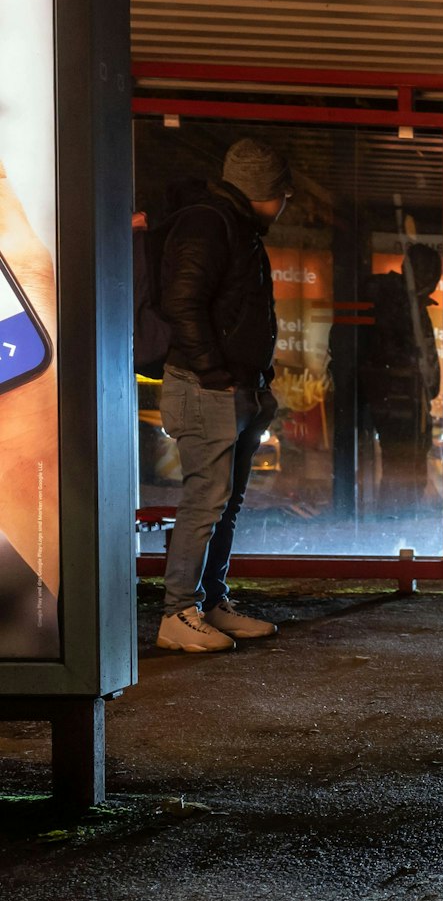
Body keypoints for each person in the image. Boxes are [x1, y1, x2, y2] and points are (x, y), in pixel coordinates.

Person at [153, 138, 290, 653]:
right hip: (206, 386)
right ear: (265, 191)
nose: (285, 202)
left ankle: (209, 602)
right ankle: (177, 614)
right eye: (283, 193)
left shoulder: (234, 226)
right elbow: (182, 303)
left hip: (234, 387)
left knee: (223, 503)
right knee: (204, 503)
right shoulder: (210, 224)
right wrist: (214, 372)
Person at [360, 245, 443, 515]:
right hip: (399, 399)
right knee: (401, 465)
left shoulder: (407, 301)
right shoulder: (394, 301)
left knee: (410, 463)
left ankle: (401, 515)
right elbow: (397, 353)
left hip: (411, 399)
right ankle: (395, 518)